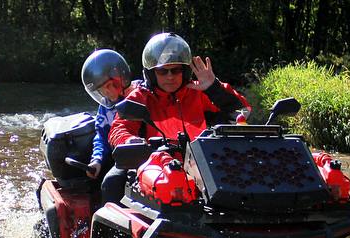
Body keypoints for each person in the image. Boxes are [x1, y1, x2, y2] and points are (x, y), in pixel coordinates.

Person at [108, 32, 250, 148]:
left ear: (185, 71)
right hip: (154, 164)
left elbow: (243, 113)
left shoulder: (200, 91)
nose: (170, 76)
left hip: (202, 162)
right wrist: (129, 140)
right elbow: (118, 129)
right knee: (111, 181)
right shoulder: (140, 97)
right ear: (151, 74)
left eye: (176, 70)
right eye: (163, 71)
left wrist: (214, 88)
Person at [80, 48, 133, 204]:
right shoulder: (105, 108)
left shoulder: (141, 92)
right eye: (103, 90)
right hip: (120, 158)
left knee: (111, 183)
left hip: (145, 155)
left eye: (111, 85)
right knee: (106, 183)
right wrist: (96, 160)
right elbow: (101, 137)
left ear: (121, 76)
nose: (109, 92)